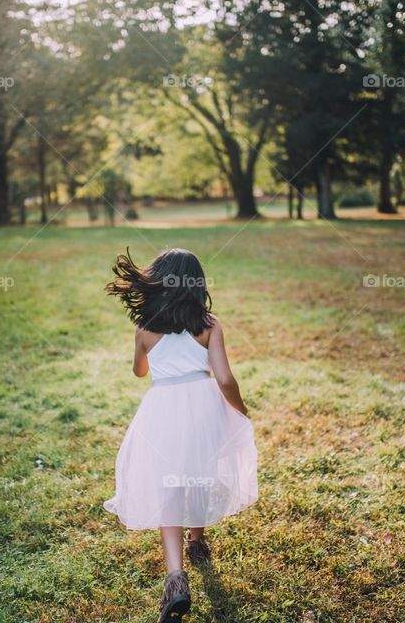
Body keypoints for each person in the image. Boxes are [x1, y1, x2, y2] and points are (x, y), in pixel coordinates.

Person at [103, 248, 258, 622]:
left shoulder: (144, 329)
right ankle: (197, 540)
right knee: (199, 472)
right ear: (196, 284)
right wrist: (241, 408)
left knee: (168, 486)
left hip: (162, 409)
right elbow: (224, 378)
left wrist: (150, 356)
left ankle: (175, 578)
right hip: (203, 405)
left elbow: (140, 372)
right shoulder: (208, 324)